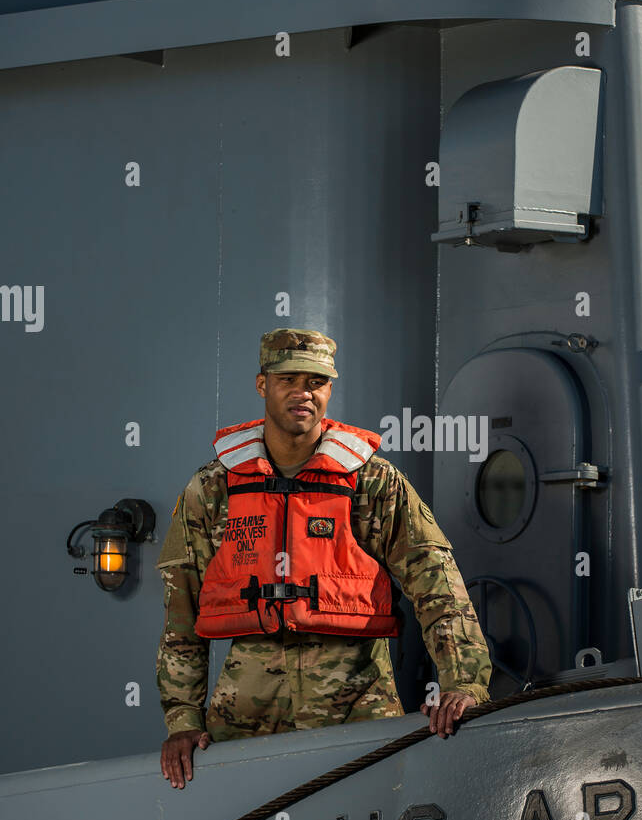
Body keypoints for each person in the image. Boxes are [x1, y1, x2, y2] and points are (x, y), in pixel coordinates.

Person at [157, 328, 492, 788]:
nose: (303, 392)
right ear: (262, 385)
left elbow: (437, 584)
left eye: (316, 381)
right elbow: (180, 612)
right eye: (287, 379)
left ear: (330, 388)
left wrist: (464, 682)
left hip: (358, 710)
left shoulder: (372, 482)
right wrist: (182, 720)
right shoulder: (213, 489)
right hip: (244, 716)